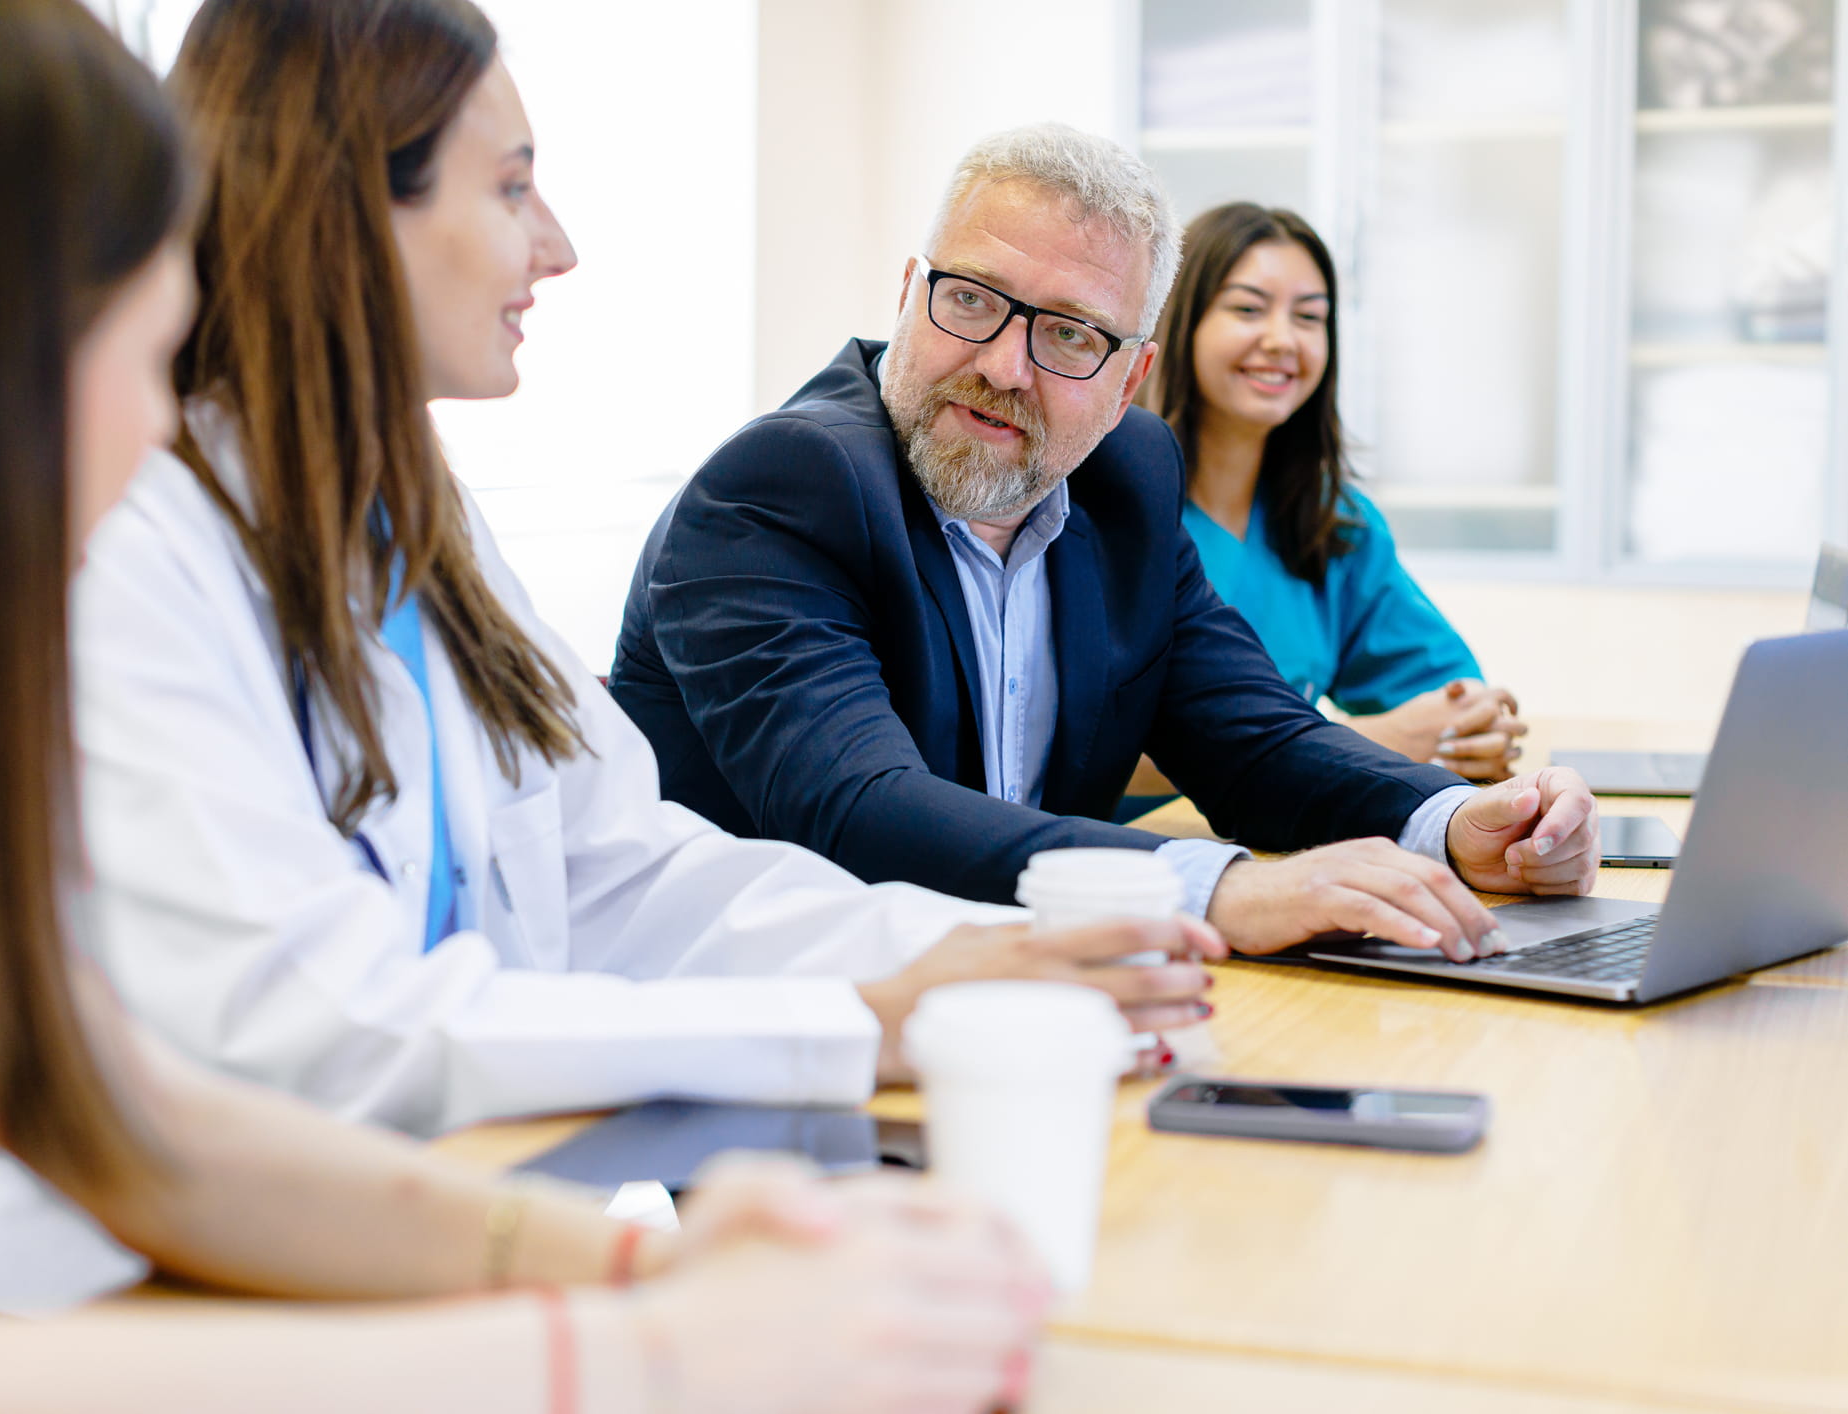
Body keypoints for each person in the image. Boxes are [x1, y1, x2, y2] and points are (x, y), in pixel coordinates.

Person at [0, 1, 1050, 1408]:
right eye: (124, 345)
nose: (148, 430)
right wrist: (651, 1346)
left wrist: (635, 1274)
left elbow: (142, 1127)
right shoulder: (126, 563)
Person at [69, 0, 1219, 1139]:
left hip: (449, 1213)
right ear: (344, 214)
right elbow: (328, 1027)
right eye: (512, 187)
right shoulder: (138, 556)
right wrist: (857, 1022)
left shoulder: (421, 522)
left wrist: (968, 957)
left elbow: (622, 867)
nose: (556, 246)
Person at [611, 124, 1601, 961]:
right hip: (778, 1044)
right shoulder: (783, 485)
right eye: (970, 299)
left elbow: (1253, 738)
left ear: (1131, 379)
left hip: (1024, 1001)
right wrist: (1217, 890)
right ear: (909, 293)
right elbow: (863, 807)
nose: (1003, 364)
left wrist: (1459, 823)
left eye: (1072, 334)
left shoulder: (1124, 479)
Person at [1139, 202, 1527, 782]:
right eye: (1248, 308)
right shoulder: (1100, 506)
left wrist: (1473, 727)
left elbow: (1451, 697)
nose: (1281, 339)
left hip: (1284, 846)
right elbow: (1076, 745)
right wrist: (1368, 741)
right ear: (1179, 323)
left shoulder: (1332, 524)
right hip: (1124, 854)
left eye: (1309, 317)